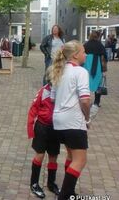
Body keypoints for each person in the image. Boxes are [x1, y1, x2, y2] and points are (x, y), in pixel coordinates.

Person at [50, 40, 91, 200]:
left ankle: (70, 192)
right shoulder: (80, 72)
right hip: (73, 121)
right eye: (83, 51)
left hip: (58, 121)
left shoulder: (59, 70)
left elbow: (53, 98)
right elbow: (85, 100)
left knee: (71, 156)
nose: (86, 54)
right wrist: (87, 118)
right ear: (75, 55)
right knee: (80, 160)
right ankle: (65, 195)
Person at [27, 68, 60, 198]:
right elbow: (32, 110)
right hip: (42, 128)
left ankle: (51, 183)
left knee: (53, 156)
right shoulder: (43, 91)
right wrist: (30, 130)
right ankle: (34, 183)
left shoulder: (62, 92)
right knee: (39, 155)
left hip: (55, 128)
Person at [83, 31, 107, 111]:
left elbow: (82, 54)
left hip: (87, 67)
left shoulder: (86, 44)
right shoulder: (100, 45)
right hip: (97, 67)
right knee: (98, 84)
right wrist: (104, 69)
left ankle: (86, 100)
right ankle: (96, 102)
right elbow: (105, 57)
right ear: (97, 36)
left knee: (86, 83)